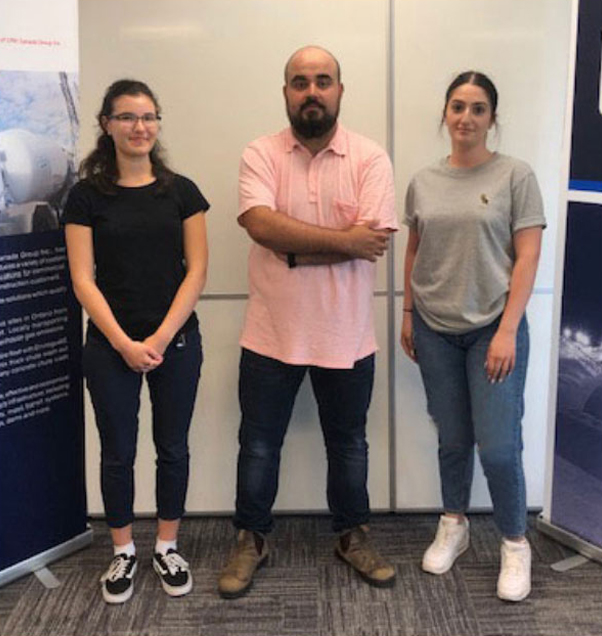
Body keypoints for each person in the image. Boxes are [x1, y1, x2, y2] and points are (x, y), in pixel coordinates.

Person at [217, 46, 398, 599]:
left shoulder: (371, 158)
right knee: (258, 445)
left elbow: (374, 241)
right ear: (286, 93)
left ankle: (352, 535)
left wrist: (295, 247)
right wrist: (342, 242)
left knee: (349, 445)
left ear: (340, 90)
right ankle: (252, 539)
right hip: (271, 334)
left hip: (347, 337)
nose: (312, 91)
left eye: (323, 81)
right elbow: (261, 226)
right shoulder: (260, 153)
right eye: (300, 82)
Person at [400, 71, 545, 602]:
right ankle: (454, 524)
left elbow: (527, 255)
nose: (466, 117)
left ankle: (514, 543)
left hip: (493, 329)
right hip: (436, 329)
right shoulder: (423, 180)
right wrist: (409, 312)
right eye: (457, 106)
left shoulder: (515, 176)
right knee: (453, 438)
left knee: (501, 447)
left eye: (478, 108)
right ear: (444, 114)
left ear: (492, 118)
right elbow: (415, 250)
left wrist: (508, 329)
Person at [63, 79, 209, 604]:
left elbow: (196, 272)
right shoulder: (85, 197)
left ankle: (167, 545)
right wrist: (125, 343)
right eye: (127, 117)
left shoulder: (182, 191)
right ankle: (122, 551)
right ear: (107, 124)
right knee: (118, 452)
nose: (140, 127)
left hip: (177, 341)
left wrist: (163, 337)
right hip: (109, 346)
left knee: (173, 448)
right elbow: (83, 280)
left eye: (148, 116)